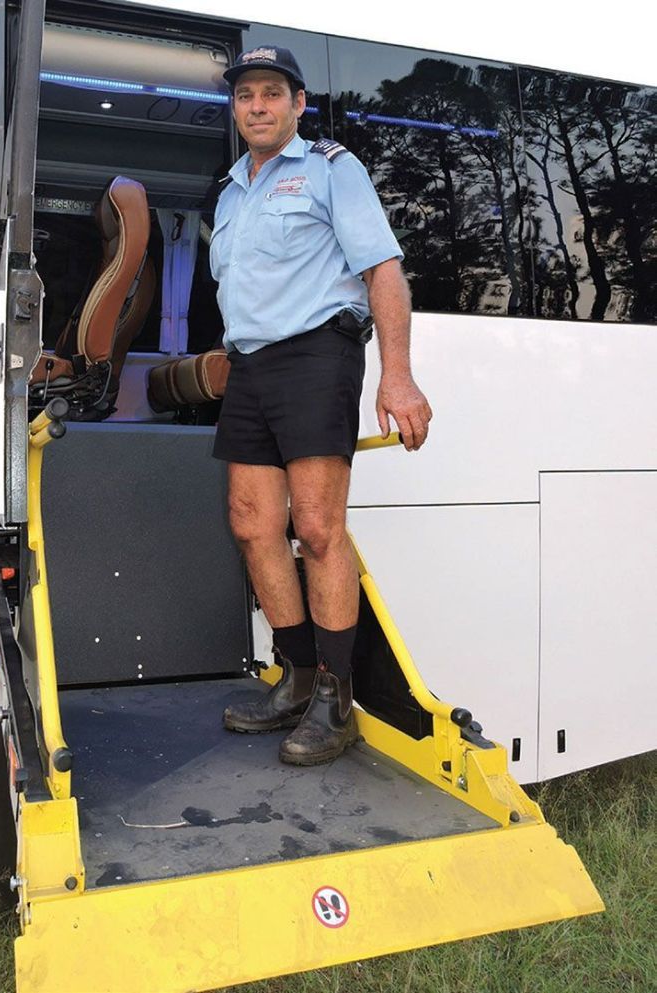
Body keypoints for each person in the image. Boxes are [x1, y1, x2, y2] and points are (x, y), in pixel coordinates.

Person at [211, 46, 433, 766]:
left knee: (316, 528)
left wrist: (397, 376)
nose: (257, 106)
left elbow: (383, 271)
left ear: (298, 104)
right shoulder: (230, 191)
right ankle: (298, 677)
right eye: (245, 94)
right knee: (253, 525)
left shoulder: (332, 169)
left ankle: (336, 701)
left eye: (272, 93)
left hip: (315, 357)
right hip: (250, 366)